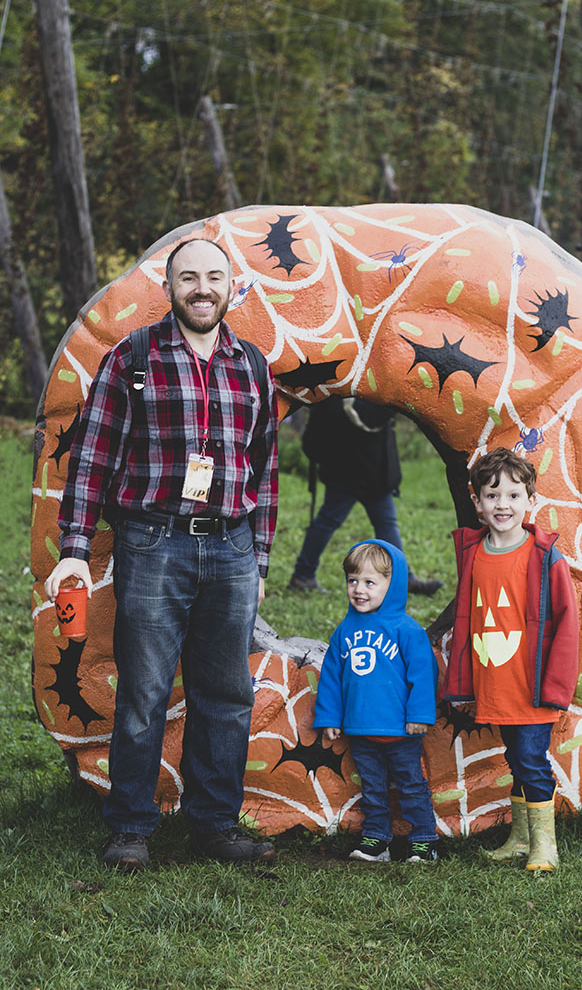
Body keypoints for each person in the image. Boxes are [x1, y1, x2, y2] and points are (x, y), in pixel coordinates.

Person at [45, 238, 278, 871]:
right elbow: (91, 458)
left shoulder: (252, 365)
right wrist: (73, 549)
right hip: (153, 543)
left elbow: (265, 468)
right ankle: (130, 828)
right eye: (188, 278)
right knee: (144, 692)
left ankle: (214, 825)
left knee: (225, 692)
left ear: (231, 287)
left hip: (230, 547)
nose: (202, 289)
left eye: (213, 278)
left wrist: (257, 558)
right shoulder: (134, 358)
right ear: (169, 287)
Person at [441, 447, 579, 871]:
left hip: (532, 683)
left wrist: (556, 684)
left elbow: (567, 622)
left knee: (532, 760)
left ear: (530, 502)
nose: (503, 504)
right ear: (477, 503)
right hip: (494, 679)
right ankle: (521, 838)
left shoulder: (543, 557)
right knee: (516, 757)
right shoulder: (474, 553)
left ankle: (545, 847)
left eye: (514, 496)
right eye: (492, 495)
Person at [313, 539, 439, 862]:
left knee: (411, 785)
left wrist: (419, 714)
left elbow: (423, 675)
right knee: (372, 788)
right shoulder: (344, 630)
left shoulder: (407, 630)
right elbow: (331, 676)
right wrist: (330, 717)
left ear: (392, 585)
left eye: (370, 582)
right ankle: (376, 839)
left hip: (400, 730)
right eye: (353, 581)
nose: (359, 589)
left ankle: (424, 838)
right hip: (360, 729)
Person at [288, 396, 443, 596]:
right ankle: (303, 574)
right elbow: (372, 416)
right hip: (351, 473)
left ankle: (403, 579)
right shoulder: (354, 391)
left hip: (367, 473)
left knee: (378, 523)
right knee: (332, 522)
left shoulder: (346, 391)